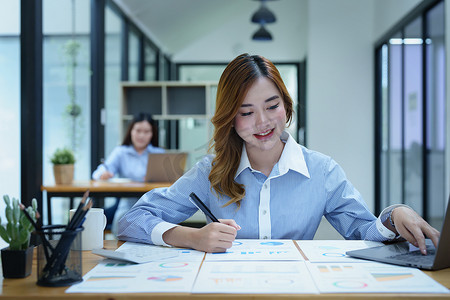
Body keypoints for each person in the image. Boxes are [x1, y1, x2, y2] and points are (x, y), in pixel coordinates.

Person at [118, 53, 440, 254]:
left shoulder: (322, 171)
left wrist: (394, 215)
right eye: (246, 112)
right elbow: (131, 221)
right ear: (230, 119)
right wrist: (192, 237)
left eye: (271, 106)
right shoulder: (210, 173)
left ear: (286, 106)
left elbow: (365, 232)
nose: (262, 122)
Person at [92, 113, 164, 232]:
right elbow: (98, 172)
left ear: (152, 134)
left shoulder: (159, 153)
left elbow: (169, 180)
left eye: (146, 132)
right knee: (123, 222)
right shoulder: (121, 152)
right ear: (131, 131)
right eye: (138, 130)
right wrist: (103, 173)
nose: (141, 135)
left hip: (152, 203)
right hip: (127, 202)